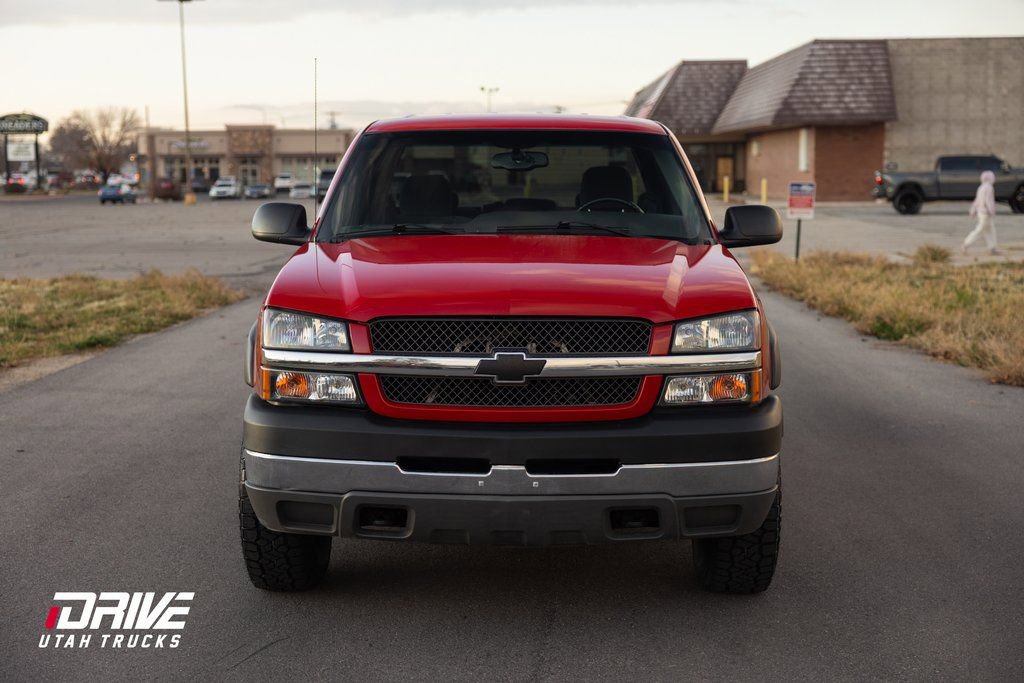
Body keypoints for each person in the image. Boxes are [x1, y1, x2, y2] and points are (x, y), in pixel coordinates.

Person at [963, 170, 1000, 255]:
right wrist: (992, 210)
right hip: (985, 213)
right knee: (980, 230)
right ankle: (966, 243)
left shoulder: (981, 187)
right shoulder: (989, 187)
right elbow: (988, 201)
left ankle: (992, 248)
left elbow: (977, 200)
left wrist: (973, 210)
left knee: (990, 230)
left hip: (981, 212)